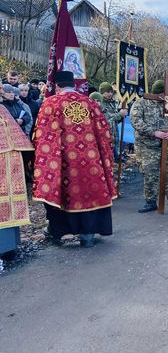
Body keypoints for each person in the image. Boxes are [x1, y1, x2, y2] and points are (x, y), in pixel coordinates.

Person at [32, 71, 115, 248]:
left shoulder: (50, 103)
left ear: (57, 86)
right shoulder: (90, 103)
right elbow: (105, 133)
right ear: (74, 84)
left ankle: (58, 232)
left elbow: (43, 136)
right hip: (92, 162)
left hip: (65, 163)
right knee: (90, 191)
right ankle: (88, 235)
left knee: (63, 192)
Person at [130, 80, 168, 213]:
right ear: (155, 93)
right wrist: (154, 132)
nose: (163, 97)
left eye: (165, 94)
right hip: (148, 147)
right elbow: (136, 121)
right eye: (161, 94)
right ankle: (150, 201)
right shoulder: (141, 103)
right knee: (151, 174)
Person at [0, 105, 34, 259]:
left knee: (9, 204)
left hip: (11, 160)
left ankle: (9, 246)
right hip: (9, 159)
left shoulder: (2, 108)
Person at [99, 82, 127, 160]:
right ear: (102, 92)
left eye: (111, 92)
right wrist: (120, 114)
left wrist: (122, 116)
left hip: (114, 136)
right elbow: (107, 120)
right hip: (105, 136)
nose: (110, 94)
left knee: (112, 160)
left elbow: (114, 121)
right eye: (108, 92)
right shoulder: (100, 104)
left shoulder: (112, 103)